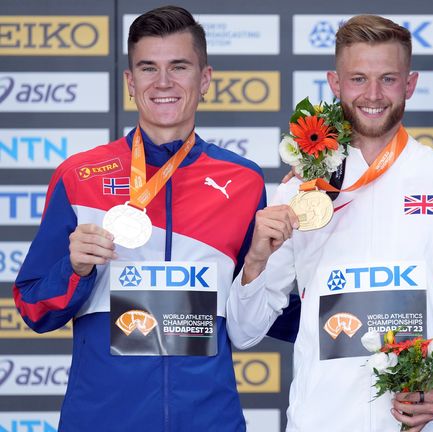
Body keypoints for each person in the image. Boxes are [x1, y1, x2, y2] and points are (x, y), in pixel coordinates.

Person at [12, 6, 287, 430]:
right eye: (148, 68)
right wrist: (75, 268)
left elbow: (246, 324)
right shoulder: (79, 177)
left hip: (208, 418)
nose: (163, 83)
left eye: (179, 67)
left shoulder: (244, 181)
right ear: (130, 82)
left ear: (205, 79)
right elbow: (33, 309)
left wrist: (256, 270)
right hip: (102, 419)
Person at [226, 14, 433, 432]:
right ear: (335, 84)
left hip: (422, 424)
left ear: (409, 84)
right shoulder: (299, 190)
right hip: (321, 422)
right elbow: (245, 333)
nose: (373, 94)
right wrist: (255, 264)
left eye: (388, 79)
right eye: (357, 79)